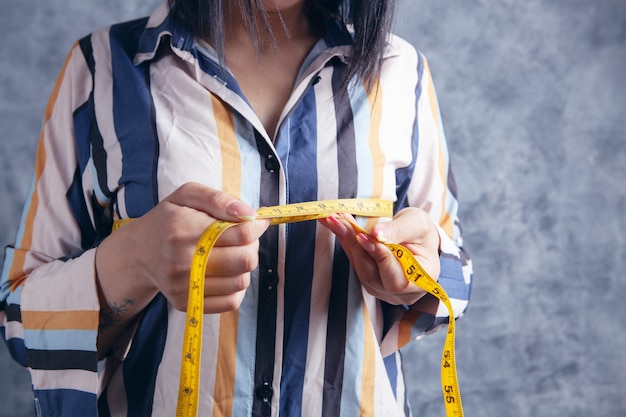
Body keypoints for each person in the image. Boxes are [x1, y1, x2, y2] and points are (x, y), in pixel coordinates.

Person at [0, 0, 473, 416]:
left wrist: (421, 271)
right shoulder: (101, 68)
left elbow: (456, 275)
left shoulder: (400, 69)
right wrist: (133, 263)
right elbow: (21, 318)